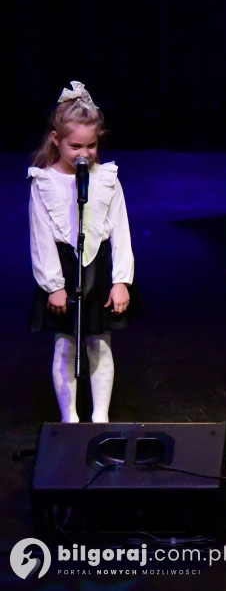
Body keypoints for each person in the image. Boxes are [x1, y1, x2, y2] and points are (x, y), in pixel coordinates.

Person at [28, 81, 140, 423]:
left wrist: (122, 280)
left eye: (91, 146)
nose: (84, 153)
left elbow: (121, 229)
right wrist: (53, 285)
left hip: (99, 265)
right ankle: (70, 420)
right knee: (66, 343)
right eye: (76, 145)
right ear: (56, 139)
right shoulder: (44, 181)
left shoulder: (106, 178)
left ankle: (100, 417)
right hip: (63, 268)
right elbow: (40, 236)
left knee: (99, 342)